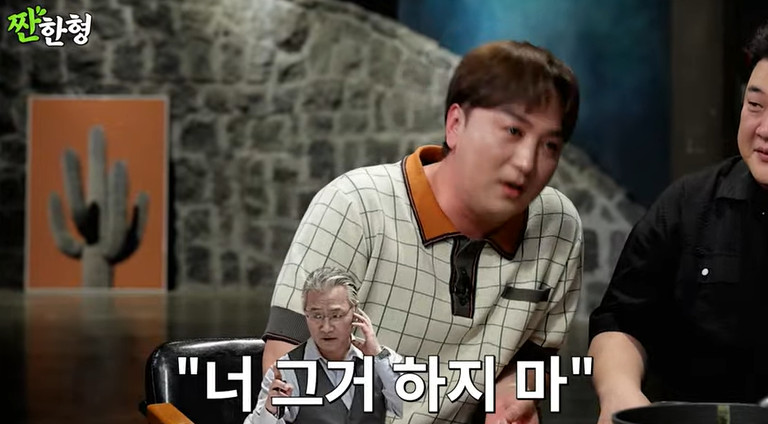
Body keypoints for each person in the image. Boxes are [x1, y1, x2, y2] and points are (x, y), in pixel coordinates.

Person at [262, 40, 583, 424]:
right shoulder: (354, 206)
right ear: (456, 125)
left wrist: (515, 395)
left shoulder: (558, 227)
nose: (528, 162)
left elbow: (535, 358)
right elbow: (287, 371)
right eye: (513, 130)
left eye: (550, 145)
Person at [588, 21, 768, 424]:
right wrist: (620, 394)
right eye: (755, 105)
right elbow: (621, 320)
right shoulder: (688, 204)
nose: (764, 130)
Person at [244, 267, 404, 424]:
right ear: (305, 314)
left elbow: (408, 406)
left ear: (355, 312)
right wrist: (270, 411)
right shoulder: (286, 371)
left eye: (336, 315)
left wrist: (378, 356)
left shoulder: (380, 361)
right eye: (317, 316)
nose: (326, 328)